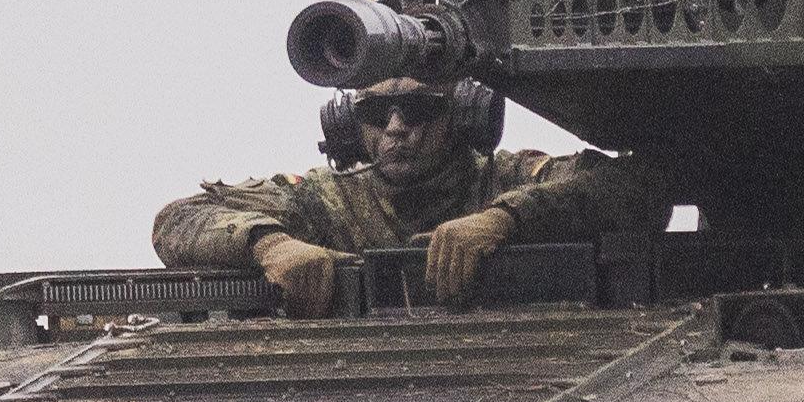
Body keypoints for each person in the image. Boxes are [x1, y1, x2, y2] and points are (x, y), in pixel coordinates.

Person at [152, 84, 659, 316]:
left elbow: (637, 189)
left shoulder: (509, 176)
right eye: (376, 113)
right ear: (352, 127)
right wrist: (268, 244)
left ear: (461, 117)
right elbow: (177, 221)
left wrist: (505, 220)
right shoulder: (324, 199)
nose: (397, 129)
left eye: (417, 110)